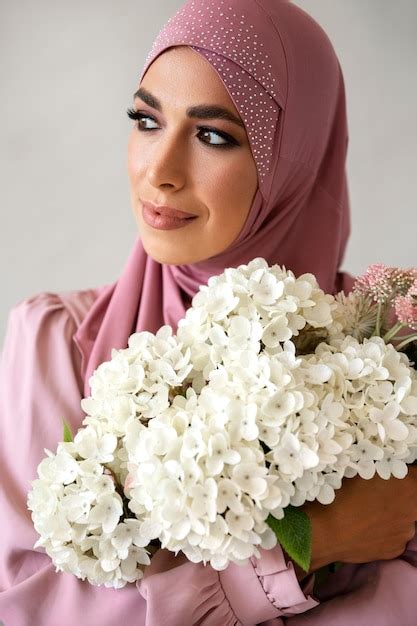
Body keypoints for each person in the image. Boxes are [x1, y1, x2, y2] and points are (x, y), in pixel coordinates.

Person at [1, 1, 417, 624]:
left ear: (295, 158)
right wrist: (304, 551)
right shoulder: (59, 345)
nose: (159, 172)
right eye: (146, 120)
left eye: (213, 135)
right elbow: (27, 606)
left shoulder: (388, 353)